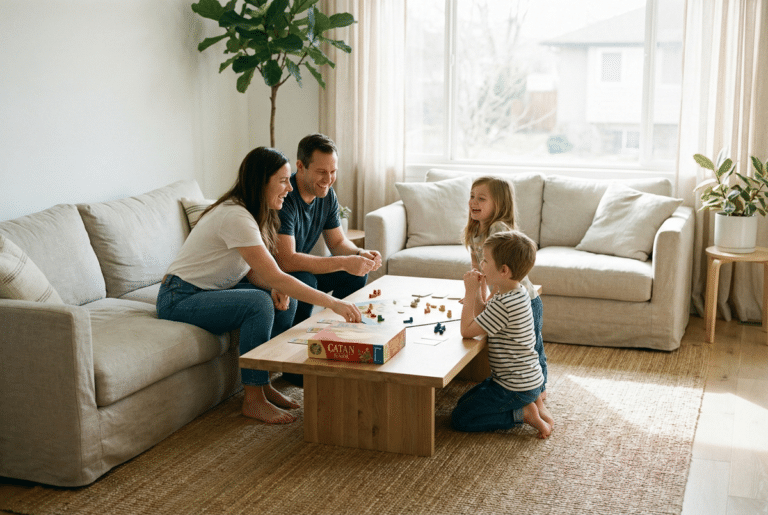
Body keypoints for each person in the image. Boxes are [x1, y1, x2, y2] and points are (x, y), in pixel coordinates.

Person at [156, 147, 362, 425]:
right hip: (179, 297)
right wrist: (334, 303)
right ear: (260, 181)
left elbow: (253, 269)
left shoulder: (255, 212)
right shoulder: (236, 216)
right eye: (282, 180)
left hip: (211, 290)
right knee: (259, 302)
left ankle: (263, 384)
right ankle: (253, 400)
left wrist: (272, 284)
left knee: (280, 294)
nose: (289, 188)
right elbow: (278, 274)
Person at [276, 134, 382, 385]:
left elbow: (337, 243)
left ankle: (340, 341)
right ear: (300, 166)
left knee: (355, 271)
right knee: (306, 279)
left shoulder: (328, 195)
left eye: (333, 171)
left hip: (303, 269)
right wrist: (345, 261)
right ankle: (295, 365)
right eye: (322, 171)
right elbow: (287, 261)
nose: (328, 179)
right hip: (282, 273)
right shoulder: (285, 198)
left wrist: (358, 255)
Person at [452, 231, 553, 438]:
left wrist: (469, 293)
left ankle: (522, 414)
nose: (481, 264)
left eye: (486, 260)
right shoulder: (513, 292)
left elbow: (467, 330)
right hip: (521, 379)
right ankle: (531, 404)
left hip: (514, 386)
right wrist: (480, 289)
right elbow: (484, 315)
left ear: (504, 270)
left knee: (460, 418)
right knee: (463, 402)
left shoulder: (505, 303)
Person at [463, 176, 548, 399]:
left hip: (525, 299)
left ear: (499, 205)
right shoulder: (473, 232)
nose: (474, 202)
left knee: (533, 347)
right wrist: (476, 299)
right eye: (472, 196)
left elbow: (505, 271)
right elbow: (479, 272)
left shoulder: (498, 228)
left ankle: (539, 391)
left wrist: (488, 300)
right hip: (502, 295)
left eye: (481, 198)